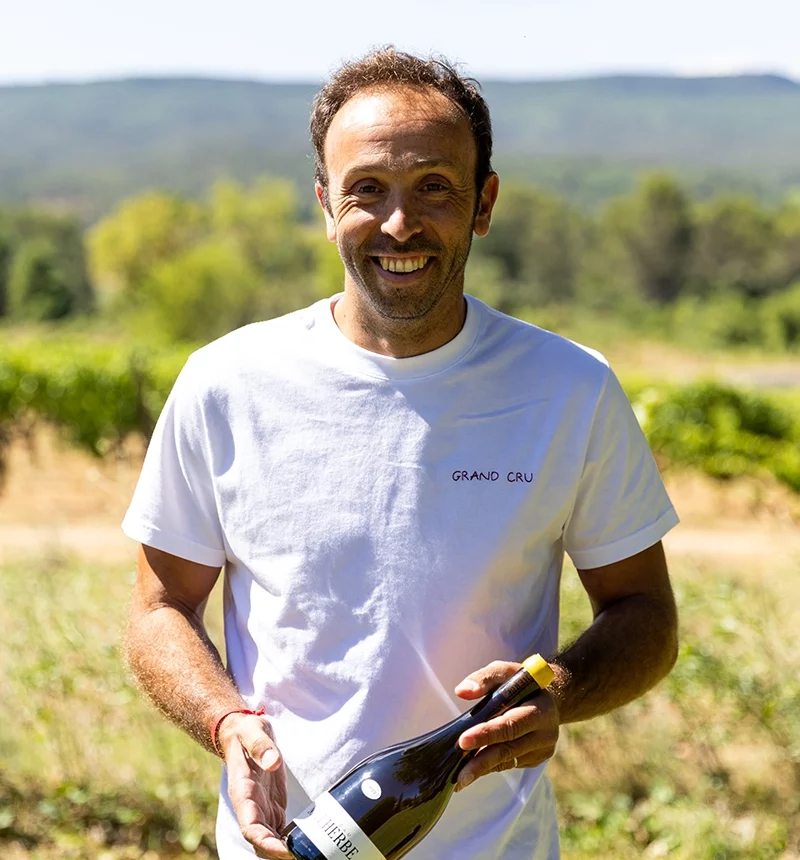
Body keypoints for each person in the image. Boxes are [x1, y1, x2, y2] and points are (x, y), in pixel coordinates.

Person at [122, 47, 680, 860]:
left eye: (434, 188)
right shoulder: (227, 383)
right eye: (366, 190)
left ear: (483, 202)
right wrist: (226, 722)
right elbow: (158, 607)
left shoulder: (570, 388)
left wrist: (556, 689)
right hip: (283, 846)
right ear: (324, 203)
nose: (398, 223)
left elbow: (646, 617)